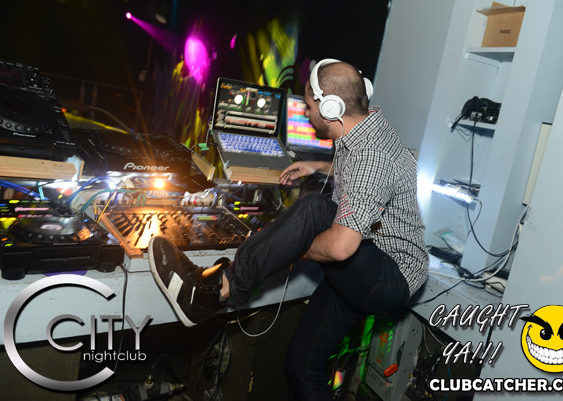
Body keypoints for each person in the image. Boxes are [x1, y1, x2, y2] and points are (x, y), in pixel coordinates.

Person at [148, 59, 429, 400]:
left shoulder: (371, 156)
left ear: (331, 108)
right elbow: (363, 176)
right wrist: (319, 166)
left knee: (314, 208)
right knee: (301, 366)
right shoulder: (364, 127)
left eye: (309, 106)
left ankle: (214, 292)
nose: (307, 113)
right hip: (374, 266)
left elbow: (340, 247)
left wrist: (290, 242)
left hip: (388, 278)